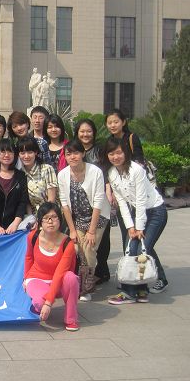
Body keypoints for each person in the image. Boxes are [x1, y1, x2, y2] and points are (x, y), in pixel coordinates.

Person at [104, 138, 169, 302]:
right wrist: (130, 227)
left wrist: (139, 227)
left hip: (156, 212)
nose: (115, 157)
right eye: (111, 153)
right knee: (131, 248)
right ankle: (140, 290)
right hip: (137, 214)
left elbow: (140, 201)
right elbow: (121, 202)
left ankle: (129, 292)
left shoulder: (136, 170)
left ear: (126, 152)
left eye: (118, 152)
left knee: (141, 249)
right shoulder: (111, 173)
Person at [58, 140, 111, 302]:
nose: (72, 157)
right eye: (69, 154)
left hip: (98, 216)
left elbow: (99, 201)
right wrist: (72, 230)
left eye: (76, 153)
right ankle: (79, 281)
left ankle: (87, 287)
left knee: (88, 248)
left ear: (82, 153)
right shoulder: (63, 174)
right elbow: (64, 204)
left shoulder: (95, 171)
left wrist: (92, 231)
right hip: (79, 218)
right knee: (77, 248)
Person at [24, 202, 79, 332]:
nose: (50, 221)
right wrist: (25, 279)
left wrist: (49, 303)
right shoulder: (33, 236)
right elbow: (28, 258)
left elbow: (60, 272)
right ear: (40, 221)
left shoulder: (68, 243)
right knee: (39, 303)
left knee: (71, 278)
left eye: (54, 217)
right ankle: (38, 306)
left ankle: (71, 319)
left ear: (60, 220)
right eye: (46, 218)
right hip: (37, 278)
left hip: (59, 280)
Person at [105, 109, 147, 252]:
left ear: (123, 122)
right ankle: (128, 260)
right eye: (109, 123)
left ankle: (146, 262)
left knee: (142, 235)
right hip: (120, 192)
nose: (113, 125)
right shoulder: (109, 141)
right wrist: (113, 190)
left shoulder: (131, 138)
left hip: (135, 189)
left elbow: (140, 161)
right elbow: (109, 168)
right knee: (127, 230)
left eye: (116, 122)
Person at [75, 118, 111, 284]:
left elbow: (107, 170)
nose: (85, 134)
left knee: (102, 239)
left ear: (94, 133)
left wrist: (108, 188)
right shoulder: (74, 150)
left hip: (99, 198)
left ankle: (101, 272)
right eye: (82, 131)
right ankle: (88, 273)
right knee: (85, 243)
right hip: (80, 202)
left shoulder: (100, 150)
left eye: (89, 131)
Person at [0, 139, 29, 234]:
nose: (7, 155)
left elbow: (22, 203)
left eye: (10, 151)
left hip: (15, 228)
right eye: (3, 151)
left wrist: (15, 224)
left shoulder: (21, 176)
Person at [17, 137, 57, 215]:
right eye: (22, 153)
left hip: (51, 213)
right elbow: (26, 202)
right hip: (34, 215)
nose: (26, 156)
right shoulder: (20, 174)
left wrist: (43, 217)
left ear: (36, 152)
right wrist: (31, 218)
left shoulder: (47, 169)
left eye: (30, 152)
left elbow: (51, 200)